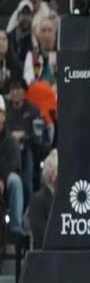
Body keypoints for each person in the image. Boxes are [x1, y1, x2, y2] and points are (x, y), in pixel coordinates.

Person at [0, 95, 23, 234]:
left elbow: (13, 164)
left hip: (5, 178)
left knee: (15, 181)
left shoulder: (10, 140)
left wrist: (2, 179)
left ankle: (16, 227)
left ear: (3, 116)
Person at [28, 148, 56, 249]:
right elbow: (41, 237)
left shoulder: (67, 200)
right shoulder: (38, 200)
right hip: (46, 255)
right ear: (52, 175)